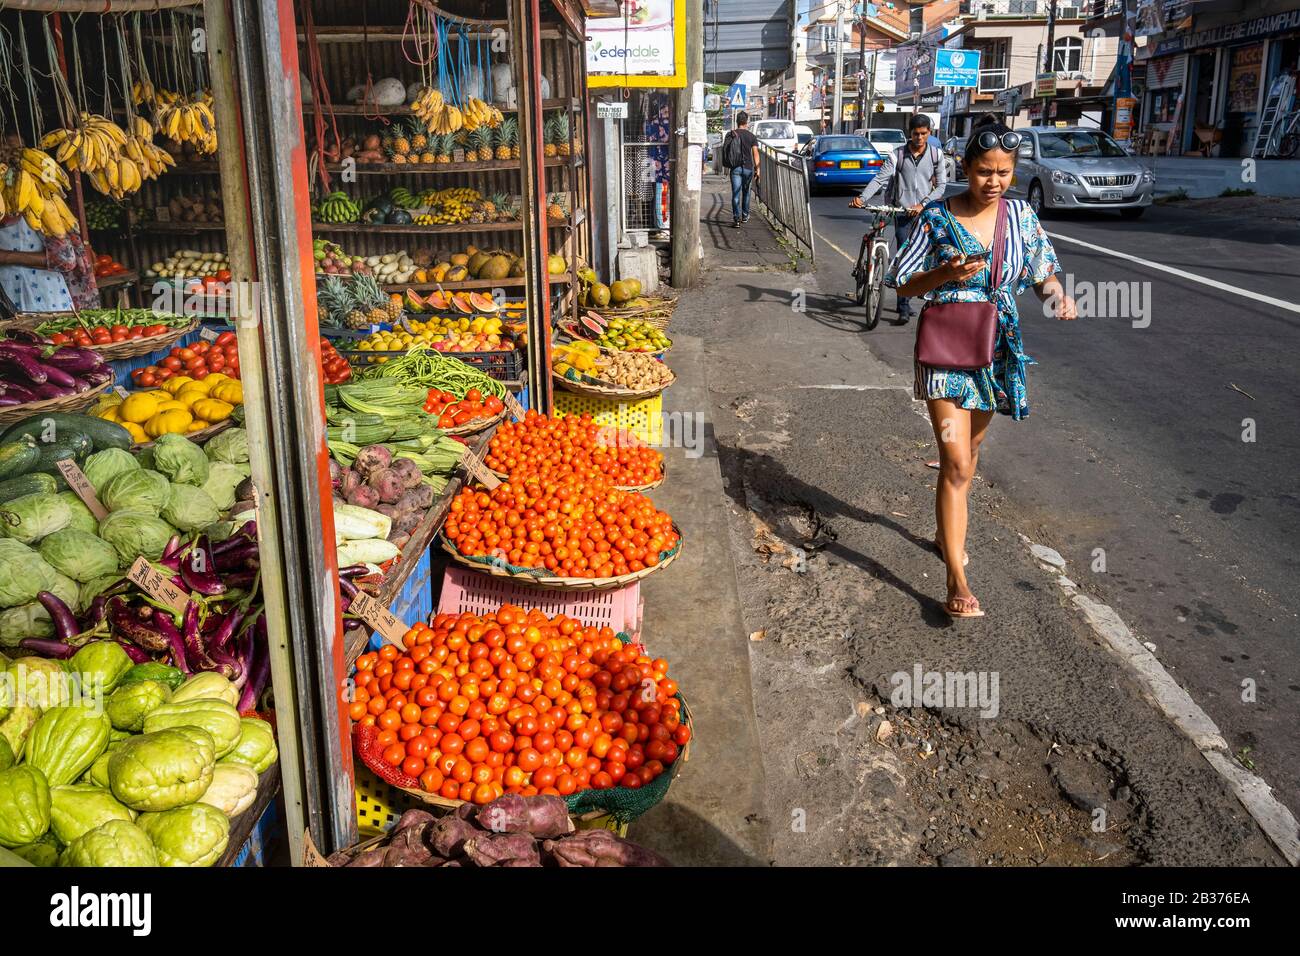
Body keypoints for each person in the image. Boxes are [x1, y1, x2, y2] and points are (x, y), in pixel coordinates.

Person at [885, 122, 1077, 619]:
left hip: (995, 352)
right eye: (985, 171)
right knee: (956, 463)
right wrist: (944, 274)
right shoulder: (935, 218)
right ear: (966, 169)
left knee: (969, 454)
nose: (994, 181)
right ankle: (956, 577)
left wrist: (1057, 296)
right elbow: (902, 284)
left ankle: (944, 533)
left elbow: (1042, 273)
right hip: (946, 350)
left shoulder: (1021, 217)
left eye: (1004, 173)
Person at [850, 113, 947, 323]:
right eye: (915, 134)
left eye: (923, 134)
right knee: (905, 256)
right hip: (901, 213)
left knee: (924, 258)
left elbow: (941, 186)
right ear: (909, 134)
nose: (919, 138)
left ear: (929, 133)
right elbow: (879, 179)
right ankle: (903, 306)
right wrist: (862, 197)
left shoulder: (936, 155)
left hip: (924, 213)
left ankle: (908, 299)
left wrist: (922, 204)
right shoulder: (898, 155)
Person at [721, 111, 760, 228]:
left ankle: (736, 218)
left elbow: (726, 150)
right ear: (746, 122)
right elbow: (756, 154)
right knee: (746, 192)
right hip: (748, 168)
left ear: (737, 121)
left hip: (735, 168)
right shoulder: (751, 136)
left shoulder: (731, 134)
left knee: (736, 194)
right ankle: (745, 215)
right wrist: (758, 169)